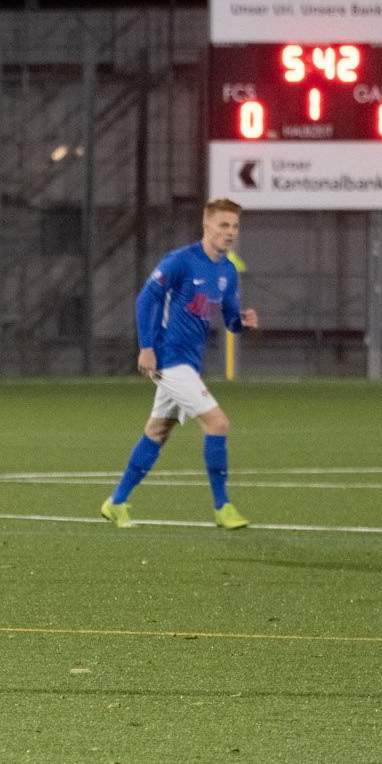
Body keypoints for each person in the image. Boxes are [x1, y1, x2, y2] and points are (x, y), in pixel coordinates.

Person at [101, 197, 259, 530]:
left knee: (158, 430)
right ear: (206, 223)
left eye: (235, 226)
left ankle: (115, 502)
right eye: (224, 225)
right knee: (217, 423)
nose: (230, 232)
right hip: (168, 358)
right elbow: (146, 298)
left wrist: (243, 323)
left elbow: (231, 320)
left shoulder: (227, 270)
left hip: (189, 362)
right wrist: (146, 347)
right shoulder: (180, 261)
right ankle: (222, 506)